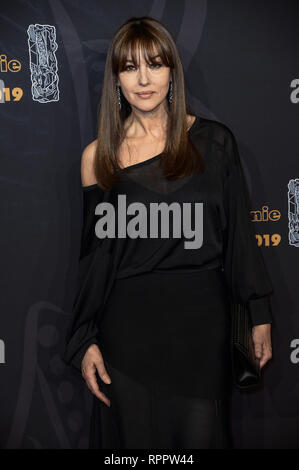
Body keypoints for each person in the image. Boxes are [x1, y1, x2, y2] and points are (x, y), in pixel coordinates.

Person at [62, 16, 273, 449]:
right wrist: (83, 338)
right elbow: (94, 260)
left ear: (172, 72)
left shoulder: (214, 144)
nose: (143, 79)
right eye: (130, 67)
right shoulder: (97, 158)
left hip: (199, 330)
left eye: (155, 65)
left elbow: (239, 238)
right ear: (116, 78)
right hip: (125, 333)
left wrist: (259, 313)